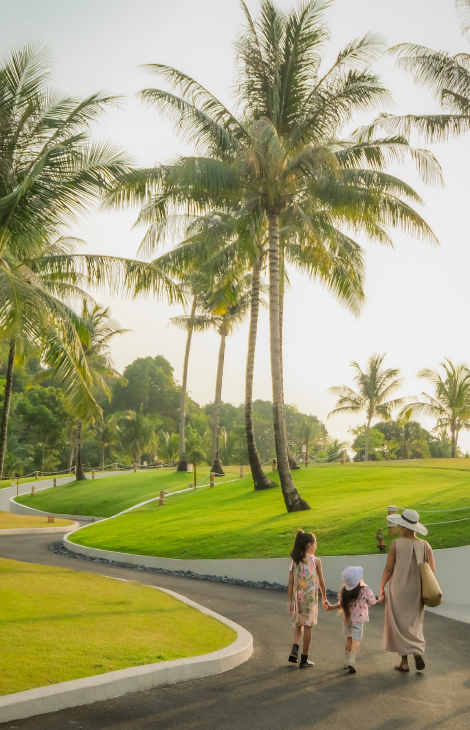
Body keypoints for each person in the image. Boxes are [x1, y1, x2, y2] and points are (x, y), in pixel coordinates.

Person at [379, 508, 435, 672]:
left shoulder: (396, 544)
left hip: (398, 590)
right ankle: (416, 650)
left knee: (398, 625)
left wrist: (382, 586)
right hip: (417, 591)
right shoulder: (425, 545)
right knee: (414, 623)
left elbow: (389, 569)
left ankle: (404, 663)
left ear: (404, 527)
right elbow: (431, 570)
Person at [326, 565, 384, 673]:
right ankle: (352, 661)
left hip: (347, 620)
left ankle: (346, 660)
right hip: (358, 621)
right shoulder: (365, 589)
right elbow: (372, 602)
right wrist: (382, 600)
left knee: (348, 639)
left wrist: (331, 607)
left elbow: (341, 603)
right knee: (355, 640)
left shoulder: (345, 590)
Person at [287, 529, 328, 668]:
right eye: (315, 544)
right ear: (310, 545)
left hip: (298, 599)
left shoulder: (295, 560)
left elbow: (290, 583)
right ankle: (304, 659)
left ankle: (294, 649)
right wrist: (324, 598)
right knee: (308, 626)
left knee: (299, 625)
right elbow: (321, 582)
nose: (316, 546)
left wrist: (289, 601)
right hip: (310, 600)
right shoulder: (315, 561)